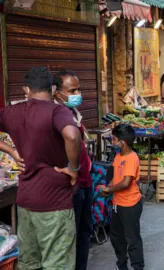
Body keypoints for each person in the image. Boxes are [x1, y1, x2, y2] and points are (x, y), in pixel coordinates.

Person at [0, 67, 82, 269]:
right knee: (57, 264)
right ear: (53, 88)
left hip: (26, 202)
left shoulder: (12, 112)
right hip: (55, 202)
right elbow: (72, 135)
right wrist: (74, 168)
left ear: (26, 89)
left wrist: (11, 150)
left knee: (29, 264)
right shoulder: (57, 111)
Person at [53, 70, 93, 270]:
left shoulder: (74, 114)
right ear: (57, 92)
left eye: (78, 89)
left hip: (86, 181)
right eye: (72, 90)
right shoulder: (56, 115)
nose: (77, 93)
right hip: (73, 185)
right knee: (72, 235)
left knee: (85, 232)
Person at [99, 124, 144, 270]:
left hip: (130, 205)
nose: (112, 142)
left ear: (122, 143)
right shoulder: (119, 156)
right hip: (117, 204)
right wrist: (108, 188)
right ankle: (122, 265)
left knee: (132, 239)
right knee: (117, 238)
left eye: (114, 139)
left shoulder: (132, 158)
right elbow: (116, 178)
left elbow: (126, 183)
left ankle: (137, 266)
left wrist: (109, 189)